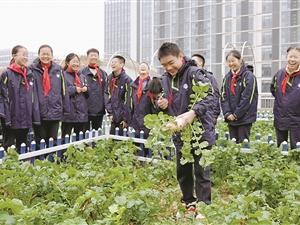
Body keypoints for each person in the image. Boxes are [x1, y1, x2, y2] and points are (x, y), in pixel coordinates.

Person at [157, 42, 214, 218]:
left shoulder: (194, 73)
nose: (169, 68)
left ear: (180, 56)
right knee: (183, 171)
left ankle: (203, 207)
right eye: (164, 65)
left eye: (171, 62)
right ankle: (189, 202)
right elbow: (171, 101)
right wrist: (164, 104)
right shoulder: (165, 79)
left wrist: (193, 113)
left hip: (199, 132)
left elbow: (210, 96)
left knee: (201, 170)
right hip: (181, 133)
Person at [0, 45, 40, 152]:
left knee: (22, 146)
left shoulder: (29, 75)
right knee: (9, 147)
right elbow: (2, 97)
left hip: (25, 118)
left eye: (27, 55)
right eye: (23, 55)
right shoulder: (6, 74)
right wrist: (4, 116)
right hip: (10, 119)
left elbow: (33, 97)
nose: (26, 57)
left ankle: (21, 168)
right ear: (14, 56)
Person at [30, 44, 69, 148]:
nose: (45, 56)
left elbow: (64, 90)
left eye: (48, 54)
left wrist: (66, 109)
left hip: (55, 111)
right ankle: (40, 163)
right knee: (40, 142)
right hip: (39, 113)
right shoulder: (32, 70)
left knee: (53, 141)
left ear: (51, 55)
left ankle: (51, 162)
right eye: (43, 54)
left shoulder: (58, 69)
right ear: (38, 55)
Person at [220, 50, 258, 143]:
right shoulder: (227, 78)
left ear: (240, 60)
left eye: (233, 61)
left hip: (244, 118)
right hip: (231, 118)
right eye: (229, 61)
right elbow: (223, 96)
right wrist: (227, 113)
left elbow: (248, 98)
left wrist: (236, 114)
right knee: (233, 145)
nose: (231, 63)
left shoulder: (248, 76)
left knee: (243, 144)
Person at [271, 47, 300, 149]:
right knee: (281, 147)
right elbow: (274, 90)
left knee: (296, 148)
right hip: (281, 115)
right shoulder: (279, 74)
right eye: (290, 56)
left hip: (297, 119)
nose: (292, 59)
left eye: (295, 57)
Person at [61, 53, 88, 141]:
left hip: (81, 113)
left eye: (77, 62)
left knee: (80, 139)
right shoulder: (63, 75)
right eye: (73, 61)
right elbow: (60, 91)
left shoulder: (82, 76)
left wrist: (86, 89)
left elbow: (87, 95)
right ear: (67, 63)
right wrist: (74, 89)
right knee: (65, 139)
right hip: (68, 113)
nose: (76, 64)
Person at [81, 48, 107, 131]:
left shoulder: (103, 73)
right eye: (91, 55)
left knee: (97, 134)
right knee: (84, 134)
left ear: (98, 57)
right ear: (87, 57)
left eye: (95, 55)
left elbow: (106, 91)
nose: (93, 57)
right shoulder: (82, 73)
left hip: (99, 109)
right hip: (85, 109)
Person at [105, 55, 132, 135]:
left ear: (122, 64)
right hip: (113, 117)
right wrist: (110, 112)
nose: (112, 64)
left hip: (122, 118)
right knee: (112, 140)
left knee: (122, 142)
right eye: (112, 62)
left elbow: (128, 101)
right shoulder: (109, 78)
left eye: (115, 62)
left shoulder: (127, 80)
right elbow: (106, 94)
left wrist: (125, 119)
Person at [192, 53, 220, 125]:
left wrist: (214, 116)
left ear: (201, 63)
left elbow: (215, 96)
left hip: (207, 116)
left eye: (194, 61)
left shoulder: (209, 77)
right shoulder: (190, 75)